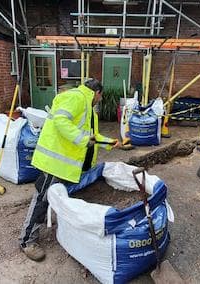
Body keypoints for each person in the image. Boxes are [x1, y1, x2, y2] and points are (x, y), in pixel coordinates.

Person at [20, 78, 119, 261]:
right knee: (41, 199)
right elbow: (61, 120)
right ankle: (27, 241)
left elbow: (92, 137)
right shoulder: (76, 98)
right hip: (53, 162)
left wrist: (111, 143)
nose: (101, 100)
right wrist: (81, 139)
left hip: (65, 166)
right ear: (97, 93)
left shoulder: (90, 112)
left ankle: (44, 224)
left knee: (53, 197)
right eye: (101, 96)